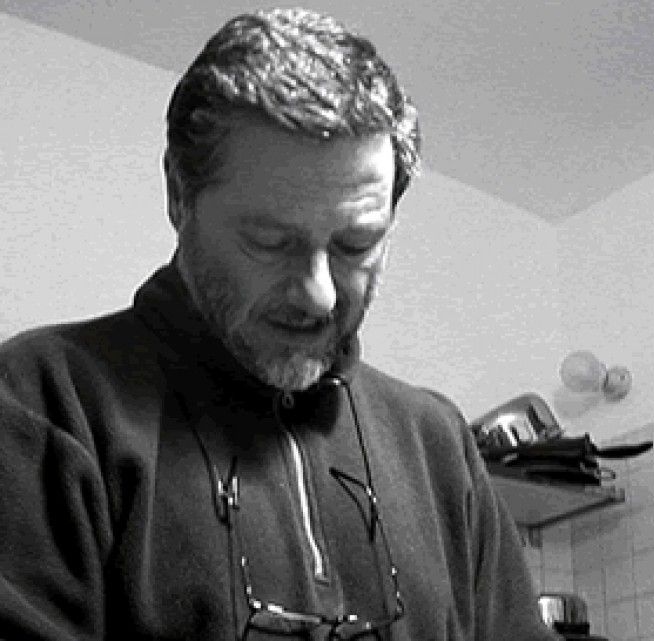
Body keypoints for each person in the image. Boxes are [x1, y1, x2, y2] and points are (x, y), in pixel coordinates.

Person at [0, 8, 559, 640]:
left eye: (355, 245)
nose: (319, 295)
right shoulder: (45, 401)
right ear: (179, 196)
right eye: (270, 242)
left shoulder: (439, 447)